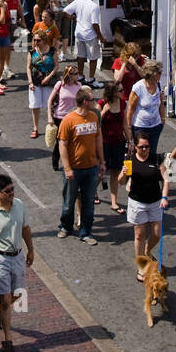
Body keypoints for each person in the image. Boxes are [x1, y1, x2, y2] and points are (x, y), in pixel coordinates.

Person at [0, 173, 35, 352]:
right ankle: (7, 340)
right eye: (8, 191)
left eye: (13, 189)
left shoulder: (19, 205)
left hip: (17, 256)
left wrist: (31, 251)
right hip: (0, 259)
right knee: (6, 301)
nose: (12, 193)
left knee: (18, 294)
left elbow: (25, 229)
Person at [57, 87, 106, 245]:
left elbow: (98, 139)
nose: (94, 102)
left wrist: (102, 161)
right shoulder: (69, 120)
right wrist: (67, 168)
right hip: (74, 169)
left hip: (91, 167)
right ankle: (66, 226)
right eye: (92, 100)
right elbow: (62, 145)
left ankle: (86, 232)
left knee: (88, 202)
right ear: (85, 102)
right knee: (68, 202)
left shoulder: (93, 117)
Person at [118, 131, 169, 270]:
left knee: (157, 234)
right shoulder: (130, 160)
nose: (145, 149)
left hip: (155, 202)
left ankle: (147, 250)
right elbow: (121, 182)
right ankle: (141, 266)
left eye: (147, 146)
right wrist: (123, 173)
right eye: (141, 147)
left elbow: (166, 180)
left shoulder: (157, 159)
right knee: (139, 235)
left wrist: (164, 197)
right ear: (135, 147)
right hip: (137, 202)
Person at [63, 0, 106, 81]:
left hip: (79, 33)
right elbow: (95, 24)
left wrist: (73, 18)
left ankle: (81, 76)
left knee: (81, 57)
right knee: (93, 58)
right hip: (90, 35)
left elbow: (65, 12)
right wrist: (101, 37)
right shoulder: (94, 6)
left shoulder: (78, 2)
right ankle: (91, 79)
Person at [26, 20, 60, 138]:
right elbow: (28, 68)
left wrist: (48, 77)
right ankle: (35, 127)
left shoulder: (52, 51)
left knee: (50, 104)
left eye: (38, 40)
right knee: (35, 105)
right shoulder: (31, 52)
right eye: (34, 40)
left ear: (44, 40)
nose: (35, 42)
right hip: (35, 82)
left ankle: (51, 125)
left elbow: (56, 66)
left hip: (49, 82)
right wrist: (30, 82)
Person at [125, 61, 166, 159]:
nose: (161, 74)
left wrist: (162, 120)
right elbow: (130, 109)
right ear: (152, 73)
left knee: (151, 154)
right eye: (159, 72)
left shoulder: (158, 85)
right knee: (139, 153)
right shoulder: (138, 87)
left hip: (155, 126)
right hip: (140, 127)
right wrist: (129, 128)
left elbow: (160, 104)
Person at [98, 81, 127, 212]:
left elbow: (125, 124)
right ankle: (91, 192)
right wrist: (103, 112)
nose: (123, 93)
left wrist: (130, 141)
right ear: (113, 92)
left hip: (119, 142)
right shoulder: (102, 104)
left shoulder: (122, 103)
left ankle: (114, 202)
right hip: (104, 143)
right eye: (120, 91)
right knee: (101, 171)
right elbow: (95, 123)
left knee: (115, 172)